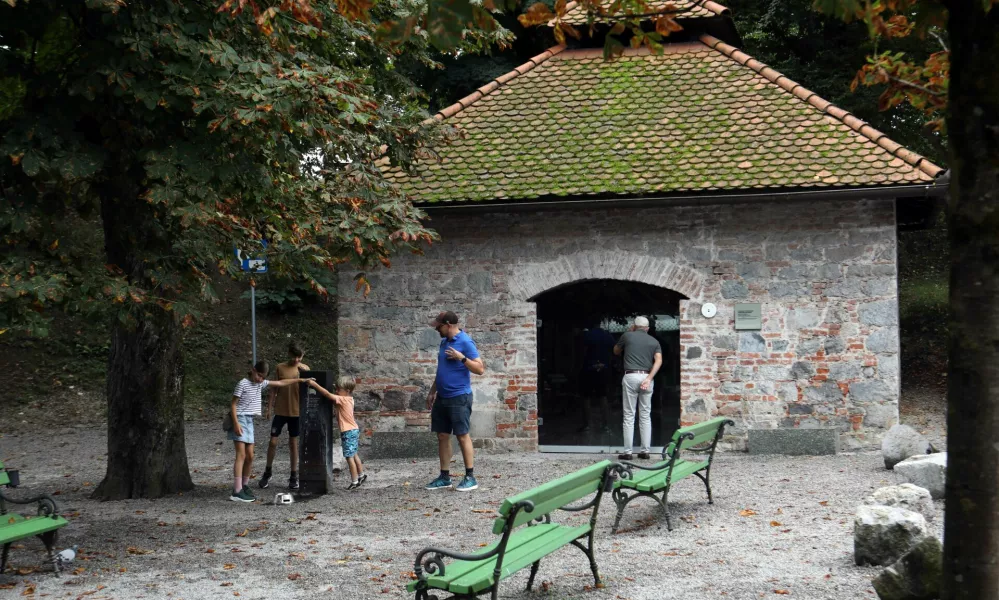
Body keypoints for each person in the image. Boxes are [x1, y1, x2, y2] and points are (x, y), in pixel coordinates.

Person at [228, 361, 310, 503]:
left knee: (250, 456)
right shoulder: (243, 383)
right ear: (253, 370)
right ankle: (236, 490)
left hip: (249, 421)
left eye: (263, 376)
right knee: (241, 455)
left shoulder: (260, 384)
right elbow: (233, 404)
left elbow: (280, 383)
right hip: (240, 419)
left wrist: (300, 379)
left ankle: (244, 485)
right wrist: (235, 424)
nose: (260, 379)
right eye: (258, 375)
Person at [425, 311, 485, 492]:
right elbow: (441, 370)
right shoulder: (444, 343)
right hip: (442, 397)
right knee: (442, 435)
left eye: (439, 326)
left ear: (449, 324)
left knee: (462, 435)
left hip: (459, 397)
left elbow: (480, 369)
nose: (436, 329)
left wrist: (462, 358)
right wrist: (432, 391)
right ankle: (444, 477)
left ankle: (470, 477)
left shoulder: (465, 342)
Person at [260, 342, 310, 491]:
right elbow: (274, 388)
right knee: (273, 442)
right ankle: (267, 472)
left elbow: (309, 389)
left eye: (299, 357)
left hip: (296, 412)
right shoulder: (280, 367)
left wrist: (304, 373)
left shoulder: (305, 369)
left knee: (293, 443)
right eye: (294, 357)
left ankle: (293, 476)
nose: (296, 360)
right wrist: (269, 408)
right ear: (289, 354)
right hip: (281, 410)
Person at [613, 316, 663, 461]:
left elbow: (616, 351)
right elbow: (659, 360)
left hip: (631, 376)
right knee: (645, 414)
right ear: (647, 328)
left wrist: (629, 332)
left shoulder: (627, 335)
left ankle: (628, 452)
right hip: (647, 377)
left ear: (634, 326)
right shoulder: (654, 341)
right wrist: (649, 378)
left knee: (629, 415)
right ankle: (645, 451)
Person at [308, 376, 367, 490]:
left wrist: (314, 385)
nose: (336, 391)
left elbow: (327, 395)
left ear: (347, 391)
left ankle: (354, 481)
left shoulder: (342, 399)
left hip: (348, 431)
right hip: (354, 429)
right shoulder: (349, 399)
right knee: (354, 454)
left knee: (349, 457)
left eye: (339, 389)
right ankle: (361, 475)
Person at [579, 320, 616, 436]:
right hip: (603, 369)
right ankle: (605, 425)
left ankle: (587, 425)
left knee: (586, 397)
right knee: (603, 397)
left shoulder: (586, 335)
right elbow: (614, 351)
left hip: (588, 369)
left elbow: (581, 351)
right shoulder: (607, 335)